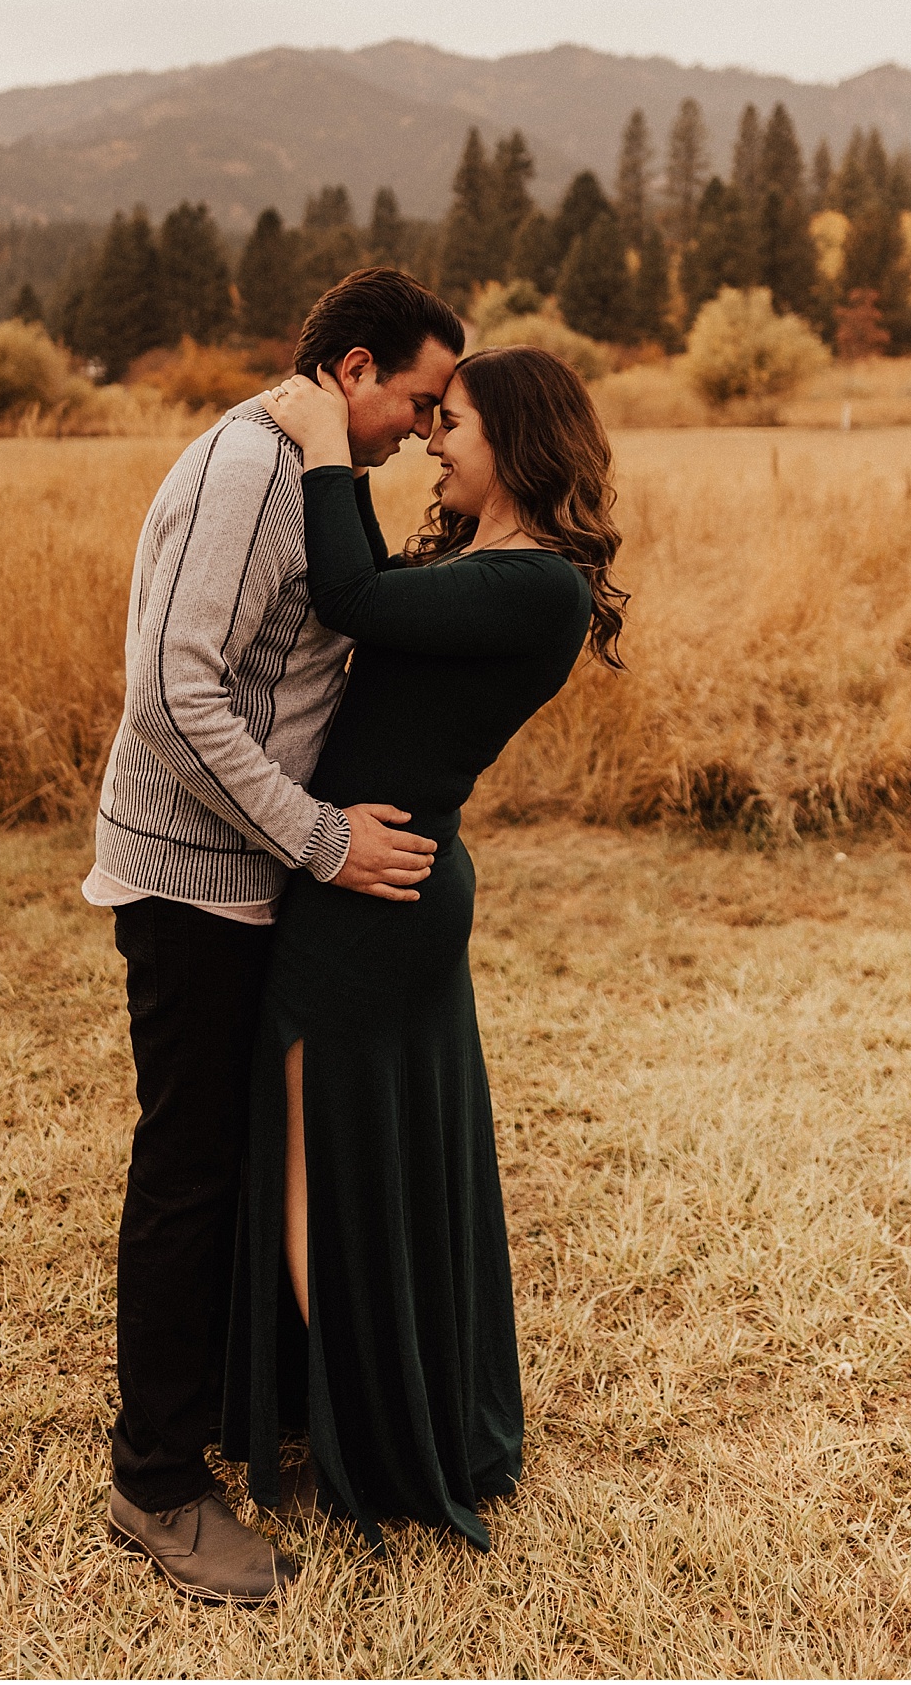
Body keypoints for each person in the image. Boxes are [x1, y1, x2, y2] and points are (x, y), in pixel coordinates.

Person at [86, 268, 463, 1604]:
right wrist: (320, 835)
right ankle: (156, 1484)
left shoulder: (310, 470)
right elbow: (173, 689)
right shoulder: (251, 465)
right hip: (193, 881)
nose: (427, 426)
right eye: (419, 397)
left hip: (251, 878)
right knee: (191, 1169)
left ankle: (252, 1418)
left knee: (243, 1162)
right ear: (355, 370)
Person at [224, 346, 628, 1554]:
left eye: (451, 425)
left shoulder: (540, 585)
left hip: (377, 895)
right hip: (378, 881)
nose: (433, 443)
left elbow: (348, 595)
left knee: (320, 1145)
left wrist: (318, 442)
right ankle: (367, 1404)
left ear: (515, 436)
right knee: (371, 1151)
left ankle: (377, 1433)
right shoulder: (482, 564)